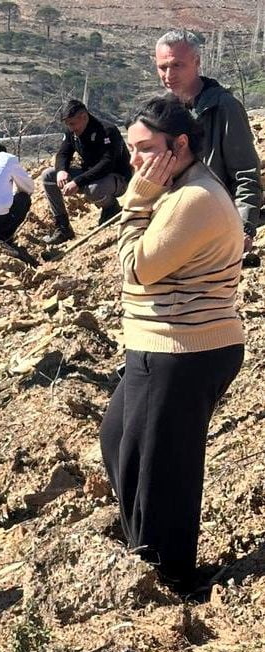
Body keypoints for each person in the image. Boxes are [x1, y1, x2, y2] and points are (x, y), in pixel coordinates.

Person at [99, 96, 244, 594]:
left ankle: (172, 575)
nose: (135, 160)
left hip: (185, 348)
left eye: (144, 149)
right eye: (131, 150)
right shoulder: (178, 190)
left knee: (162, 467)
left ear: (180, 145)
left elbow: (136, 267)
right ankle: (149, 555)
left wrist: (135, 201)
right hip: (161, 343)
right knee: (121, 443)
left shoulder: (193, 199)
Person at [154, 29, 262, 267]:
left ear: (197, 62)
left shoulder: (224, 108)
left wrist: (243, 228)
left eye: (177, 65)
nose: (169, 75)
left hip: (215, 225)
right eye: (163, 67)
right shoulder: (162, 112)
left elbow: (245, 174)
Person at [40, 99, 132, 244]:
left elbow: (107, 164)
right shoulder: (72, 133)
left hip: (115, 177)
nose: (71, 128)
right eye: (68, 125)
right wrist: (61, 171)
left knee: (93, 189)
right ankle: (63, 227)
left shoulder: (107, 130)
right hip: (90, 174)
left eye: (72, 123)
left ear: (83, 117)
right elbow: (63, 153)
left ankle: (110, 208)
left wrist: (78, 181)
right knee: (48, 175)